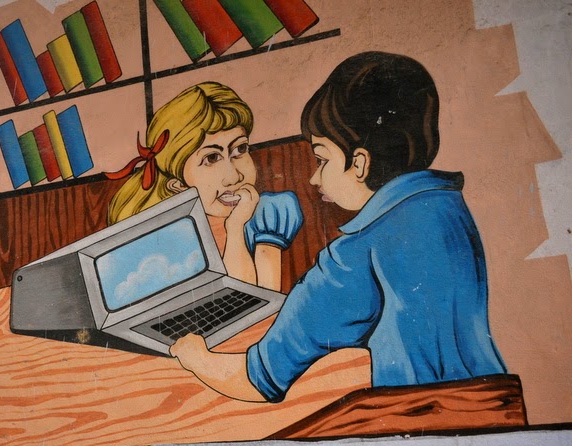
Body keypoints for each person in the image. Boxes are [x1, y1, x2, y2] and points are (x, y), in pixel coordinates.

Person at [170, 51, 507, 402]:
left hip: (412, 413)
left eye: (321, 159)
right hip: (492, 400)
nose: (314, 178)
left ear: (359, 164)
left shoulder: (355, 254)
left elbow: (260, 377)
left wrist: (196, 358)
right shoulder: (447, 207)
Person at [106, 81, 303, 291]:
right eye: (211, 158)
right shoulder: (170, 241)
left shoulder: (268, 213)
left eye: (240, 149)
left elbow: (260, 299)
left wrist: (235, 228)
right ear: (178, 185)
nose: (234, 177)